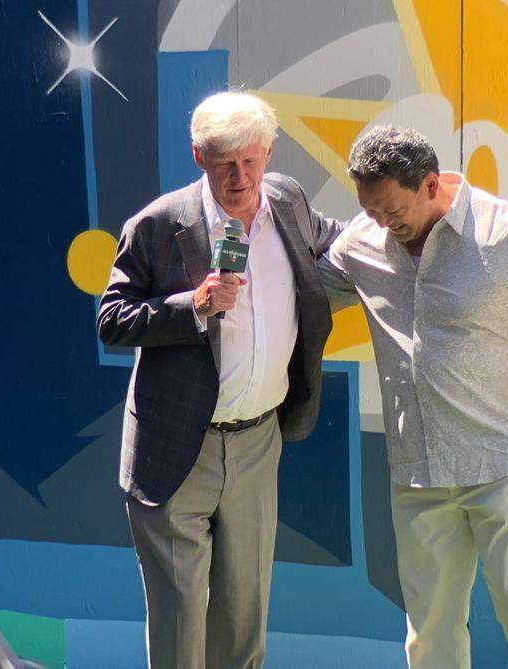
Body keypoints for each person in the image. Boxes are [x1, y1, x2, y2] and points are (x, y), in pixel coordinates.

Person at [318, 126, 508, 668]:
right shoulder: (360, 244)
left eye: (391, 209)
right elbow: (295, 293)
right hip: (417, 475)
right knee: (429, 637)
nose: (381, 224)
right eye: (369, 210)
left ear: (431, 183)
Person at [97, 91, 343, 669]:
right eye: (224, 162)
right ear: (198, 157)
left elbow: (340, 242)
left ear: (269, 153)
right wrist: (195, 303)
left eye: (250, 160)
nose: (240, 177)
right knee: (182, 623)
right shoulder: (159, 225)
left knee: (242, 621)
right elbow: (112, 321)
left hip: (259, 441)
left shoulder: (287, 199)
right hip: (177, 445)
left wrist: (413, 224)